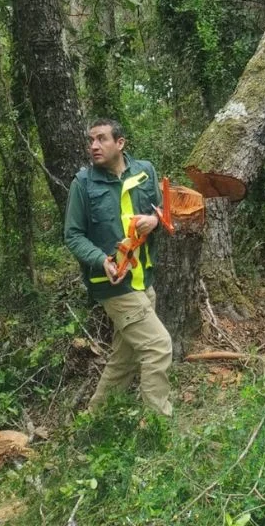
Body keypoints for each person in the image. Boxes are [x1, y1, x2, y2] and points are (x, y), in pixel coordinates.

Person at [64, 118, 173, 417]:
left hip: (143, 278)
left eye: (101, 139)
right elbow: (72, 235)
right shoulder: (83, 184)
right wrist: (101, 259)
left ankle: (91, 423)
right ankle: (158, 426)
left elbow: (162, 213)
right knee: (158, 347)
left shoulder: (145, 171)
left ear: (120, 143)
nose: (94, 146)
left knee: (123, 360)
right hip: (112, 283)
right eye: (91, 141)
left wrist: (155, 221)